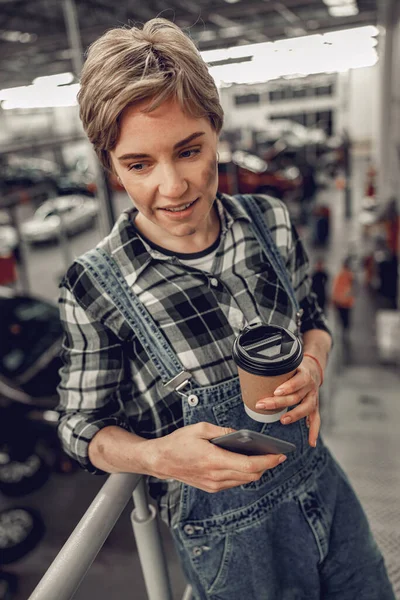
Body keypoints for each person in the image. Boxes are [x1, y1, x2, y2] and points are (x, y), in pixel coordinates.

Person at [56, 19, 395, 600]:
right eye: (139, 164)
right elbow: (78, 427)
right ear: (111, 166)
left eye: (190, 150)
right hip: (232, 548)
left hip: (324, 486)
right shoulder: (95, 284)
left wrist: (313, 366)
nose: (173, 186)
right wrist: (160, 457)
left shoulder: (271, 222)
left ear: (217, 130)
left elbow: (312, 321)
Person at [331, 257, 355, 341]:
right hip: (343, 302)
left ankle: (343, 333)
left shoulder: (344, 275)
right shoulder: (348, 275)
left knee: (343, 319)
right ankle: (344, 333)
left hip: (343, 302)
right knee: (344, 319)